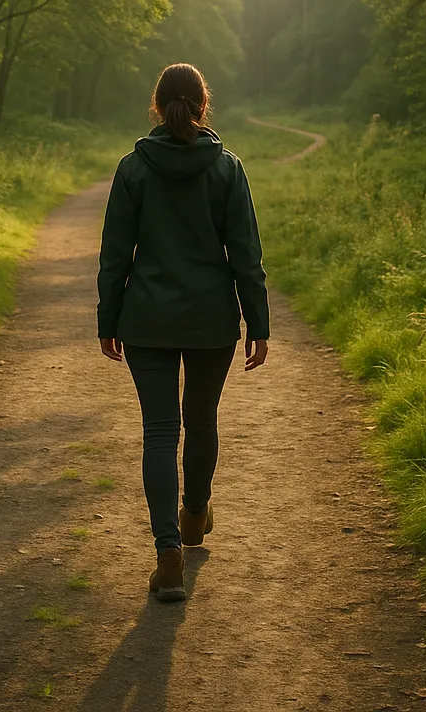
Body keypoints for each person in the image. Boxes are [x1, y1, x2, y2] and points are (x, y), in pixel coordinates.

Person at [97, 63, 270, 602]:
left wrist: (109, 321)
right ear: (202, 106)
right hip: (209, 320)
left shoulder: (133, 168)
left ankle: (167, 553)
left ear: (157, 105)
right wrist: (257, 324)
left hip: (146, 319)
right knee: (200, 421)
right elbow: (245, 253)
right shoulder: (228, 169)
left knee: (159, 432)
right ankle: (195, 513)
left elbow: (114, 256)